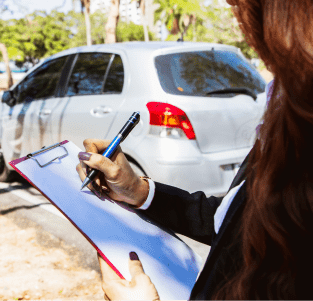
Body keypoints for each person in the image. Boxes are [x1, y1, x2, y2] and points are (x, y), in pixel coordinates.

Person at [76, 0, 313, 299]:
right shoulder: (288, 106)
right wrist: (138, 190)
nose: (233, 9)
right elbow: (235, 219)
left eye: (241, 5)